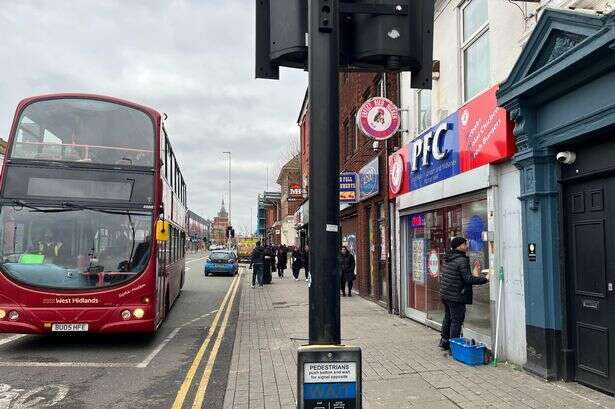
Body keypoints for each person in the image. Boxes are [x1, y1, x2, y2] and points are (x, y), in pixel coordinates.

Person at [438, 237, 489, 351]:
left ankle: (444, 342)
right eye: (465, 244)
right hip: (456, 296)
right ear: (460, 246)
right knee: (456, 321)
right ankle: (454, 347)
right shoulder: (462, 259)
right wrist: (484, 279)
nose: (467, 246)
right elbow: (467, 279)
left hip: (446, 294)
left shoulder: (449, 257)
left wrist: (475, 274)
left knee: (448, 318)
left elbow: (461, 277)